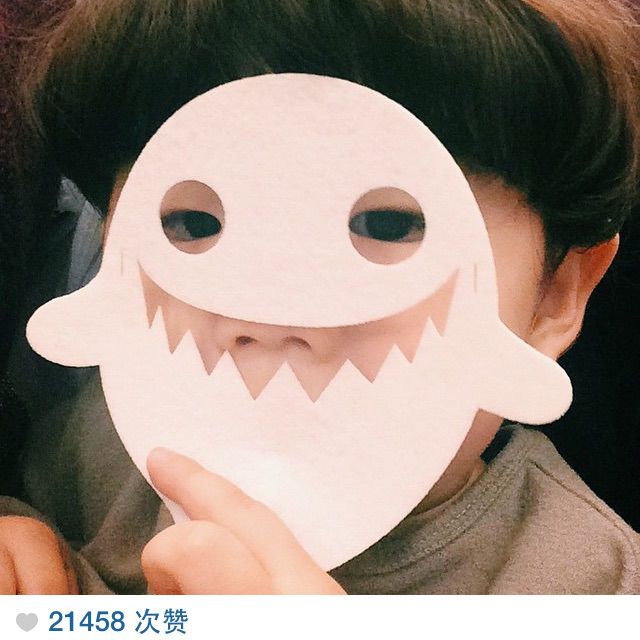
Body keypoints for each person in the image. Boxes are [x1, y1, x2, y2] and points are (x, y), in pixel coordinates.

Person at [2, 0, 640, 594]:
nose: (268, 321)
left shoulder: (595, 586)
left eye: (387, 224)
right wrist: (22, 539)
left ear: (555, 296)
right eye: (193, 224)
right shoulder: (93, 452)